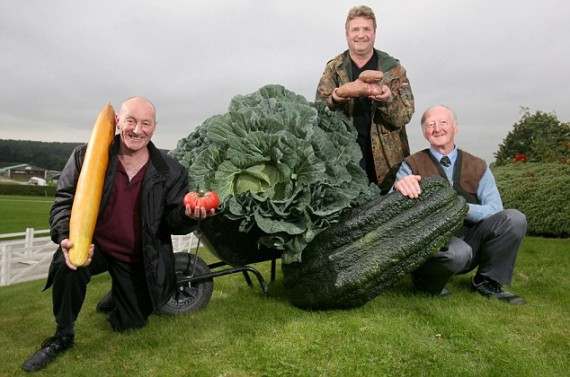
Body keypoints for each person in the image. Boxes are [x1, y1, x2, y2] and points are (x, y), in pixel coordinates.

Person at [22, 97, 214, 372]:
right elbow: (64, 201)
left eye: (145, 123)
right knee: (67, 265)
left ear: (154, 128)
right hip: (94, 246)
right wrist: (65, 235)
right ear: (118, 123)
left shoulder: (170, 170)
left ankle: (118, 292)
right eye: (131, 121)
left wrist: (187, 217)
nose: (137, 130)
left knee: (130, 324)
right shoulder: (84, 156)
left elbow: (173, 222)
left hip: (137, 256)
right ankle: (62, 335)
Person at [393, 105, 527, 304]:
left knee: (514, 218)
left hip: (471, 238)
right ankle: (425, 280)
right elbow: (392, 209)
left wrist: (459, 209)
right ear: (424, 133)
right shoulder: (411, 164)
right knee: (458, 252)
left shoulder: (478, 165)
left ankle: (487, 281)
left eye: (443, 122)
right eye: (431, 124)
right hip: (434, 244)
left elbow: (494, 209)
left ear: (456, 128)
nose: (437, 128)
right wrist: (398, 186)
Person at [316, 5, 415, 193]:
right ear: (347, 34)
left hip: (387, 165)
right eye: (355, 29)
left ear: (374, 33)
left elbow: (405, 115)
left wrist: (386, 100)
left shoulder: (394, 69)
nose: (361, 35)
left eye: (366, 29)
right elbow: (317, 113)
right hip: (344, 160)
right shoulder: (334, 68)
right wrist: (338, 95)